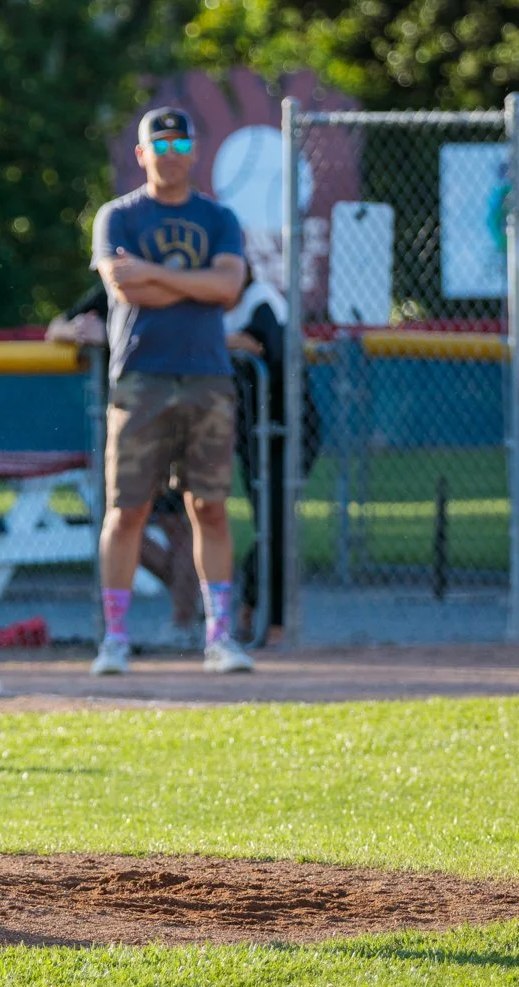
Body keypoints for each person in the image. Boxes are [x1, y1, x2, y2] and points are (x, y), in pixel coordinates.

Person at [89, 106, 255, 676]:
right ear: (141, 154)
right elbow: (124, 288)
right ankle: (115, 639)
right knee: (127, 510)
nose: (171, 155)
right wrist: (194, 284)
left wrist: (156, 274)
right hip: (140, 378)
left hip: (207, 377)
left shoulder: (219, 217)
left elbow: (228, 287)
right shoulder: (118, 216)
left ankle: (220, 637)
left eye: (181, 146)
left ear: (194, 152)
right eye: (159, 146)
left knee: (210, 507)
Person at [47, 290, 201, 648]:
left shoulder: (177, 284)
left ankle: (185, 621)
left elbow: (178, 337)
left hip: (175, 415)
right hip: (126, 422)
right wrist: (77, 331)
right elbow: (55, 328)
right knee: (119, 519)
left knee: (178, 522)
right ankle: (193, 600)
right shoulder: (116, 285)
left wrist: (111, 334)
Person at [223, 268, 322, 642]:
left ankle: (271, 620)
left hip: (293, 431)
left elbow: (271, 349)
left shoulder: (260, 299)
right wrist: (236, 343)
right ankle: (252, 609)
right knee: (268, 526)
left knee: (276, 525)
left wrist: (231, 342)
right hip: (253, 435)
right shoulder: (211, 310)